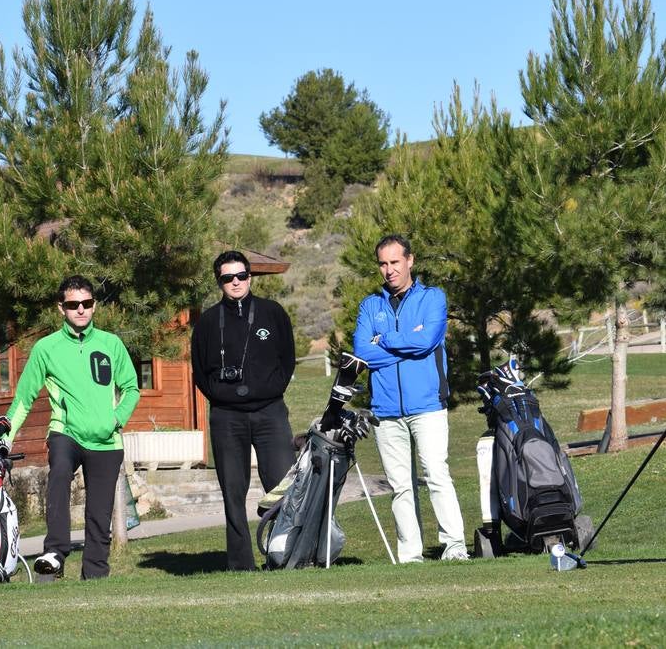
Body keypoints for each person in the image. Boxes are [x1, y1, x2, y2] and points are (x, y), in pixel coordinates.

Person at [323, 234, 468, 562]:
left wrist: (384, 339)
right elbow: (363, 354)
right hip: (385, 409)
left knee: (436, 474)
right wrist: (406, 345)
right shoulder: (370, 305)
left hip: (428, 405)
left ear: (410, 261)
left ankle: (455, 546)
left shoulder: (433, 298)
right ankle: (410, 555)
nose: (389, 270)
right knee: (400, 485)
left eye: (395, 262)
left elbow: (427, 341)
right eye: (383, 264)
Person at [2, 275, 140, 579]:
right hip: (65, 431)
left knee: (99, 515)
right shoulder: (46, 348)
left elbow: (131, 388)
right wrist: (4, 439)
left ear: (93, 306)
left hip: (106, 441)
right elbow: (23, 400)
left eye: (86, 303)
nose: (81, 309)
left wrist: (115, 420)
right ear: (61, 308)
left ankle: (95, 575)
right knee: (60, 473)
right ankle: (54, 552)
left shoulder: (111, 344)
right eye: (73, 304)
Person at [191, 250, 297, 571]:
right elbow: (200, 371)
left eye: (241, 276)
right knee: (232, 493)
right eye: (227, 278)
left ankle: (285, 553)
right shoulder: (208, 322)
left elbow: (287, 359)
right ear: (219, 282)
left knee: (283, 486)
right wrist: (224, 396)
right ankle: (241, 564)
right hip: (227, 417)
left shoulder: (272, 312)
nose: (235, 282)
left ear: (250, 277)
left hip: (270, 412)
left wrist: (269, 388)